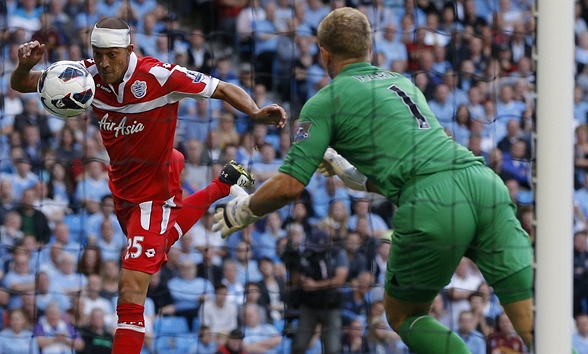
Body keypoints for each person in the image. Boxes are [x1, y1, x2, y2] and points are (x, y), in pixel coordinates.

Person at [213, 7, 533, 354]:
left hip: (432, 203)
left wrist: (244, 210)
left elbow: (291, 185)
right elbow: (416, 163)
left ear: (324, 54)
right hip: (484, 184)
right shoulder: (403, 82)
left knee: (405, 316)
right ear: (370, 47)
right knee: (534, 326)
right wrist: (354, 176)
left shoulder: (325, 101)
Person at [11, 16, 286, 354]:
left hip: (154, 195)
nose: (103, 62)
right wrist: (25, 66)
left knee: (130, 289)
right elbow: (25, 85)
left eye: (112, 54)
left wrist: (256, 112)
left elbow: (223, 88)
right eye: (98, 54)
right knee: (161, 243)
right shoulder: (85, 76)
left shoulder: (161, 75)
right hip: (122, 191)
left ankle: (221, 185)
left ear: (129, 49)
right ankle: (224, 184)